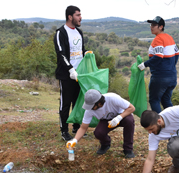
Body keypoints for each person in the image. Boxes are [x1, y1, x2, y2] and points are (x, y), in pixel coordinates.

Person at [66, 89, 136, 158]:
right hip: (106, 120)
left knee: (129, 121)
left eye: (92, 106)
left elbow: (132, 108)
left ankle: (128, 149)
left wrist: (118, 118)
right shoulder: (89, 110)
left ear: (99, 103)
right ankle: (105, 144)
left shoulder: (112, 98)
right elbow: (83, 128)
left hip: (122, 115)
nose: (89, 108)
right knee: (98, 133)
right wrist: (75, 140)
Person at [54, 5, 87, 141]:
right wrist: (70, 69)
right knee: (65, 103)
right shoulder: (61, 33)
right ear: (70, 17)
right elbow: (61, 54)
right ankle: (64, 131)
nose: (80, 17)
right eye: (78, 15)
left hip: (80, 74)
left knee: (78, 101)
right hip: (67, 75)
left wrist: (87, 55)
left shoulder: (79, 32)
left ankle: (76, 126)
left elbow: (81, 50)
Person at [138, 16, 179, 114]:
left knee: (154, 100)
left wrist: (144, 64)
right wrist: (171, 67)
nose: (151, 27)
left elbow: (158, 56)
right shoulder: (170, 38)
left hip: (160, 77)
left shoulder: (158, 39)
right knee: (166, 100)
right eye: (151, 25)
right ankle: (174, 123)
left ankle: (158, 126)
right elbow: (177, 54)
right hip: (172, 76)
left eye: (154, 25)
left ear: (161, 27)